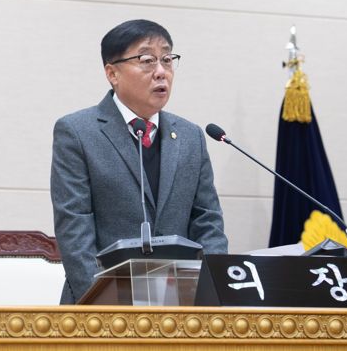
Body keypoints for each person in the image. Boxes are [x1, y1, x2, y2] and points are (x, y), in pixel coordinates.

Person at [50, 19, 228, 304]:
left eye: (167, 59)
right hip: (102, 309)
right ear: (112, 73)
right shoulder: (77, 132)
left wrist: (211, 293)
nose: (161, 72)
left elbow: (208, 222)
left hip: (182, 308)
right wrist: (102, 305)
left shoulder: (190, 136)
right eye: (147, 60)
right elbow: (75, 229)